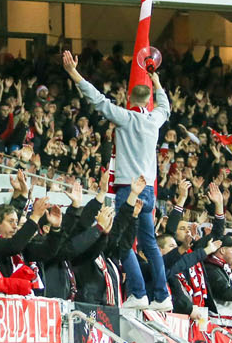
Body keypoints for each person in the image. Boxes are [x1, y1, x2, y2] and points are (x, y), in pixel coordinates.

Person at [62, 49, 170, 310]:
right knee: (149, 243)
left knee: (123, 242)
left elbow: (97, 100)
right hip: (148, 191)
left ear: (128, 98)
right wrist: (156, 83)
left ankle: (138, 293)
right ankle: (163, 296)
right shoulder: (154, 120)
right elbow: (165, 106)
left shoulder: (125, 117)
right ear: (149, 102)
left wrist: (73, 73)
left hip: (127, 190)